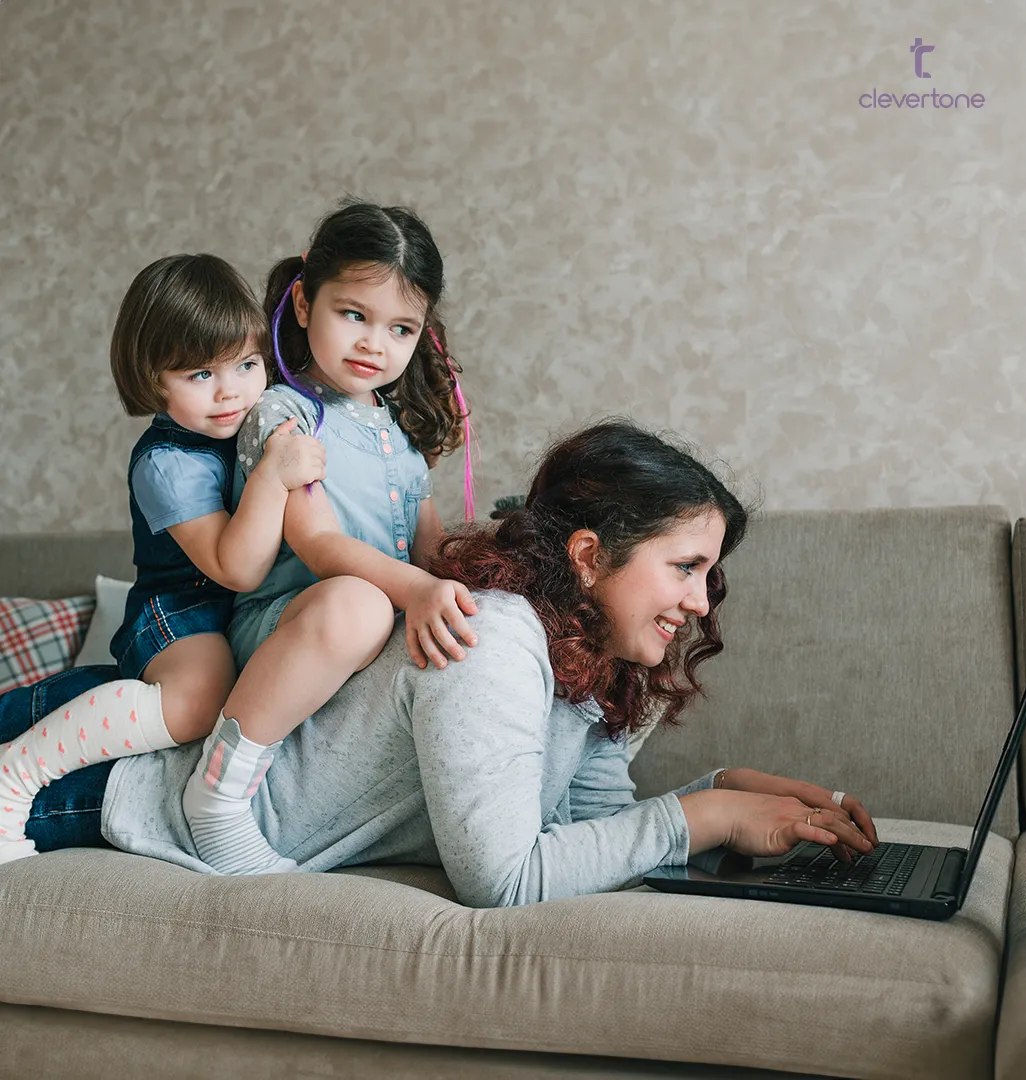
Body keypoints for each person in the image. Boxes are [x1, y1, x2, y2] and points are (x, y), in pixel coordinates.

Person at [0, 420, 878, 903]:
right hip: (108, 783)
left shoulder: (601, 665)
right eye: (684, 566)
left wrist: (731, 797)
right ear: (585, 557)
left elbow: (586, 832)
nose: (700, 600)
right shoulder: (493, 638)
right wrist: (708, 818)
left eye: (708, 572)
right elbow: (504, 878)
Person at [179, 200, 481, 876]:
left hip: (374, 626)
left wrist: (481, 567)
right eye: (355, 315)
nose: (376, 343)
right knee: (360, 602)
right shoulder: (284, 413)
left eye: (401, 327)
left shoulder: (401, 432)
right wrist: (420, 587)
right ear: (305, 302)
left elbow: (428, 547)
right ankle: (218, 794)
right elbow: (316, 544)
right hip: (290, 626)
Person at [0, 254, 325, 863]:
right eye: (200, 374)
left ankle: (34, 713)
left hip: (236, 611)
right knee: (200, 698)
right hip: (179, 606)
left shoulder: (260, 416)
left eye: (247, 365)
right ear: (153, 378)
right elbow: (238, 567)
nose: (230, 390)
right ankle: (14, 776)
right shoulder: (165, 464)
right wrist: (273, 478)